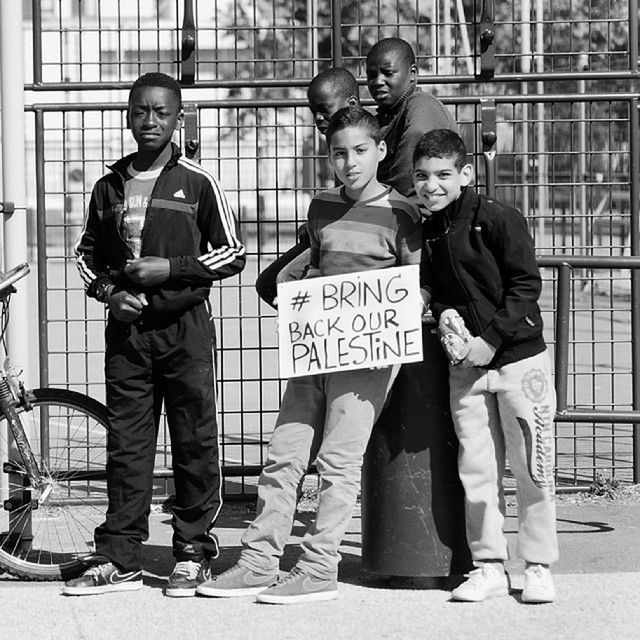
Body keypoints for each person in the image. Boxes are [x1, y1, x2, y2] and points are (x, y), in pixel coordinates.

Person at [196, 106, 422, 604]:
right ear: (329, 156)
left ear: (381, 151)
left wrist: (381, 308)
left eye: (360, 151)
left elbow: (416, 288)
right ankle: (258, 561)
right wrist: (296, 286)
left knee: (338, 463)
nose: (350, 162)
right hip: (316, 349)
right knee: (284, 454)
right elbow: (315, 264)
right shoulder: (320, 206)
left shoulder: (402, 213)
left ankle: (320, 568)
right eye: (339, 153)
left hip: (366, 357)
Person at [64, 72, 246, 597]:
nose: (150, 121)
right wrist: (108, 294)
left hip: (184, 330)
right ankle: (118, 555)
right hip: (127, 335)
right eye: (140, 111)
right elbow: (85, 255)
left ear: (177, 118)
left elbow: (231, 252)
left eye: (161, 113)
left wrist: (173, 269)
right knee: (127, 445)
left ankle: (191, 551)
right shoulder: (109, 185)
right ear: (128, 116)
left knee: (194, 438)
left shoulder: (197, 182)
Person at [414, 129, 558, 604]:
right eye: (421, 176)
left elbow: (525, 285)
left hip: (519, 361)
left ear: (465, 175)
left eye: (442, 175)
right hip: (467, 369)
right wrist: (424, 298)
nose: (431, 185)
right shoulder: (428, 228)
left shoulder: (497, 218)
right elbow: (434, 281)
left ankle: (537, 565)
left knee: (533, 466)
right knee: (476, 468)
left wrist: (491, 340)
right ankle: (489, 564)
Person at [255, 66, 361, 308]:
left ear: (352, 103)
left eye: (324, 110)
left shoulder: (366, 139)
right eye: (314, 112)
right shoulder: (334, 141)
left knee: (283, 282)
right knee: (270, 283)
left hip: (359, 233)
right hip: (335, 226)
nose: (318, 119)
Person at [366, 37, 458, 198]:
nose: (378, 81)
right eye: (371, 76)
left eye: (388, 73)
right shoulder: (384, 116)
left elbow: (405, 180)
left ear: (413, 73)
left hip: (417, 210)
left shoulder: (422, 106)